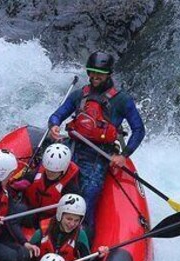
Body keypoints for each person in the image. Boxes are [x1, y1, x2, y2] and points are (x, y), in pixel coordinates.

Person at [47, 51, 146, 234]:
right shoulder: (80, 94)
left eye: (99, 73)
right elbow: (58, 114)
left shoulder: (122, 100)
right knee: (59, 195)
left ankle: (83, 244)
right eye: (91, 72)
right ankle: (53, 234)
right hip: (74, 149)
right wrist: (54, 125)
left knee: (86, 203)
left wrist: (123, 155)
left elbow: (139, 130)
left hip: (98, 157)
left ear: (109, 74)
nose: (94, 77)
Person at [24, 194, 109, 261]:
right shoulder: (41, 233)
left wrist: (99, 257)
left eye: (76, 220)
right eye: (69, 219)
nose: (72, 224)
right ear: (60, 215)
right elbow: (26, 258)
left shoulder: (80, 236)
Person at [11, 143, 80, 224]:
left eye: (54, 172)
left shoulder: (70, 188)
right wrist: (14, 187)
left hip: (51, 219)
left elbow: (69, 214)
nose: (49, 173)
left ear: (63, 170)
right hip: (29, 210)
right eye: (48, 170)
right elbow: (20, 184)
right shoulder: (36, 173)